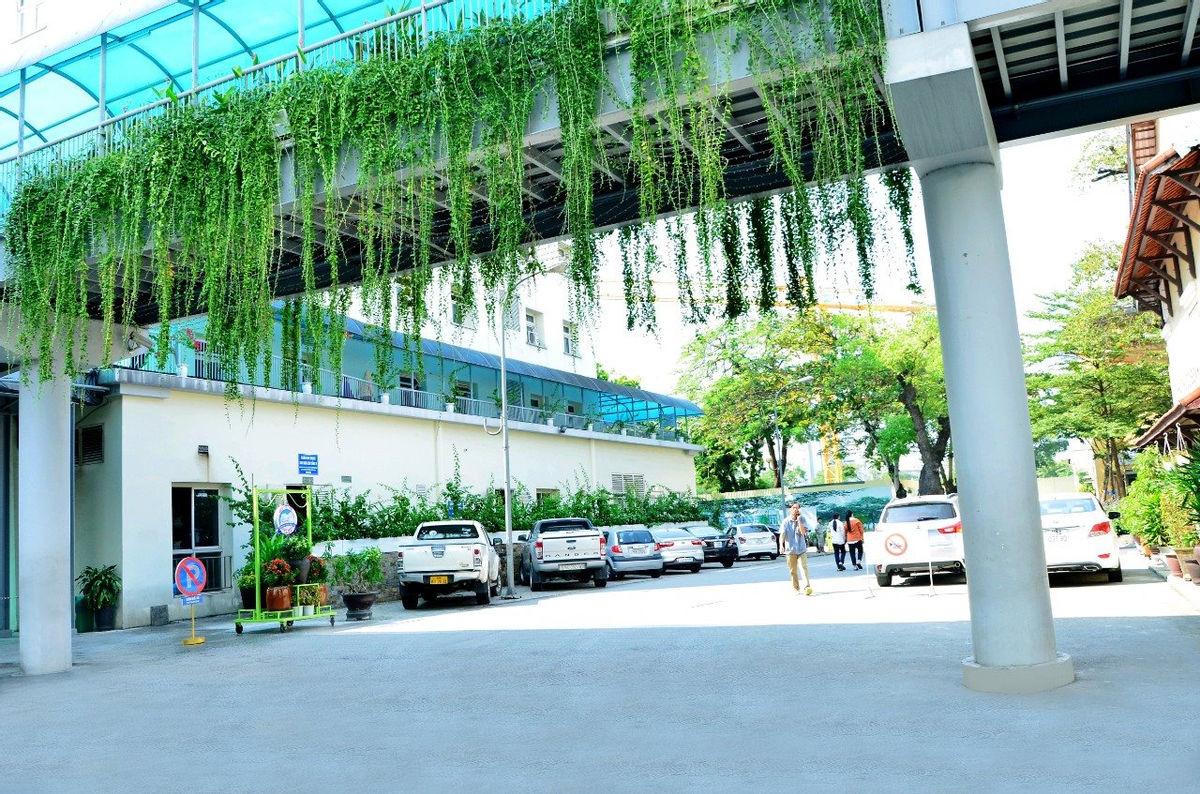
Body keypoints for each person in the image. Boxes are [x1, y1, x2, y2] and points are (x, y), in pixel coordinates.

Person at [780, 503, 813, 596]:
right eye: (794, 508)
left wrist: (799, 520)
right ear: (790, 509)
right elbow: (782, 534)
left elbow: (802, 532)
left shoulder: (802, 519)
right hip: (790, 550)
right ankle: (796, 588)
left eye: (798, 508)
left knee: (804, 568)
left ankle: (807, 587)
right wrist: (781, 545)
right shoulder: (786, 521)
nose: (796, 509)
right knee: (793, 571)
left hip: (801, 549)